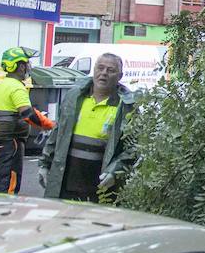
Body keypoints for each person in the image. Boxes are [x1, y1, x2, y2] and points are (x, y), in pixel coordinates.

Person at [39, 53, 136, 202]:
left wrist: (114, 173)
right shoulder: (74, 97)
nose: (104, 73)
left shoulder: (127, 107)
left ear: (120, 76)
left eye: (110, 70)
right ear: (94, 70)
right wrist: (44, 164)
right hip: (65, 184)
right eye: (100, 68)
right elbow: (57, 134)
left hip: (100, 189)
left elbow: (133, 148)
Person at [0, 47, 55, 194]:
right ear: (20, 66)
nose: (28, 67)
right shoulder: (16, 88)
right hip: (10, 140)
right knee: (10, 179)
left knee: (1, 177)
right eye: (26, 63)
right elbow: (28, 114)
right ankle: (4, 209)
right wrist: (50, 125)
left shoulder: (3, 84)